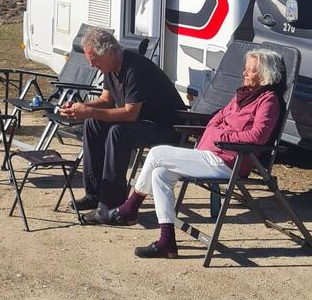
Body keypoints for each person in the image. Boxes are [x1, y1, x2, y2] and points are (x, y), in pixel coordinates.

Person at [112, 48, 286, 260]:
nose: (244, 73)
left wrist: (223, 136)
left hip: (229, 161)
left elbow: (258, 136)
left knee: (157, 153)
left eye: (251, 70)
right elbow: (216, 119)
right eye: (246, 69)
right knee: (160, 174)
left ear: (266, 75)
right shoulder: (243, 96)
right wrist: (220, 132)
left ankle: (130, 209)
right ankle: (167, 242)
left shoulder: (268, 100)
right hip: (213, 154)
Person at [58, 28, 186, 223]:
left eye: (94, 59)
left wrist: (89, 111)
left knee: (119, 133)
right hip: (143, 122)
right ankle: (94, 194)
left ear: (109, 53)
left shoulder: (135, 68)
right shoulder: (110, 67)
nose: (92, 65)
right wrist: (82, 107)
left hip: (168, 127)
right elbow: (106, 101)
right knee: (93, 124)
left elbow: (130, 113)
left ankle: (111, 204)